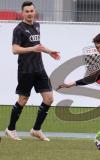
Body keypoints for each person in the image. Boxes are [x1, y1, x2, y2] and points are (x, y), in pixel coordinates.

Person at [5, 1, 60, 141]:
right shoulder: (18, 29)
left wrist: (49, 52)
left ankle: (36, 129)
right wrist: (32, 49)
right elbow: (15, 49)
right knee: (23, 100)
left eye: (31, 11)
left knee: (49, 99)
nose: (30, 13)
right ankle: (10, 129)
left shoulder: (37, 25)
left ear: (34, 12)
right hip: (26, 70)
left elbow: (38, 45)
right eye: (27, 11)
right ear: (23, 13)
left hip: (39, 69)